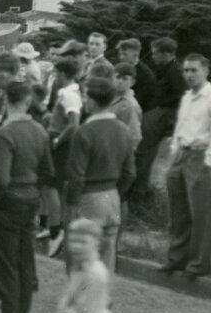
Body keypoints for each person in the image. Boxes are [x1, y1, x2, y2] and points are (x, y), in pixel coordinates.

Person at [0, 81, 53, 313]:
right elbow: (48, 170)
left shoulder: (6, 133)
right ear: (28, 101)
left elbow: (0, 179)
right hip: (31, 198)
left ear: (6, 101)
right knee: (25, 262)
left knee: (5, 263)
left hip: (9, 201)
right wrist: (35, 191)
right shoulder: (40, 130)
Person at [159, 53, 211, 278]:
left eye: (194, 70)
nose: (189, 75)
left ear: (206, 71)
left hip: (200, 157)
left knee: (200, 213)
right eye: (186, 70)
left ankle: (198, 264)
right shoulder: (187, 97)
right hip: (181, 155)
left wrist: (208, 162)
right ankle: (176, 259)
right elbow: (180, 128)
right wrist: (174, 155)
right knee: (178, 211)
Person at [65, 77, 136, 275]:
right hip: (112, 198)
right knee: (107, 259)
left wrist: (71, 207)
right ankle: (104, 293)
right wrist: (116, 191)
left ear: (92, 101)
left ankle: (85, 294)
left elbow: (77, 176)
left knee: (83, 262)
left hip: (89, 199)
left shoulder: (84, 132)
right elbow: (130, 173)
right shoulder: (123, 130)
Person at [133, 37, 186, 203]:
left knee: (142, 151)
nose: (153, 56)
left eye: (156, 53)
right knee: (144, 151)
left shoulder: (175, 71)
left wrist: (171, 120)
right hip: (158, 112)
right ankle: (140, 190)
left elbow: (184, 97)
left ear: (167, 54)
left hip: (164, 114)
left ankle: (138, 194)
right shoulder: (166, 68)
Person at [43, 56, 83, 257]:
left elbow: (74, 124)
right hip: (56, 140)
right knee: (53, 187)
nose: (55, 76)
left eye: (57, 73)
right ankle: (53, 224)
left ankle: (55, 232)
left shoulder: (70, 95)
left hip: (59, 144)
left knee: (51, 186)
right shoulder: (66, 92)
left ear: (64, 74)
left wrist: (58, 140)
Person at [117, 38, 156, 112]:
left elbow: (142, 101)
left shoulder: (146, 75)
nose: (121, 57)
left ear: (136, 55)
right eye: (120, 54)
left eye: (125, 54)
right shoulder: (119, 67)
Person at [111, 63, 143, 151]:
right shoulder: (109, 97)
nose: (120, 82)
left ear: (132, 82)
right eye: (118, 77)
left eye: (125, 79)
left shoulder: (129, 105)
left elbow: (134, 136)